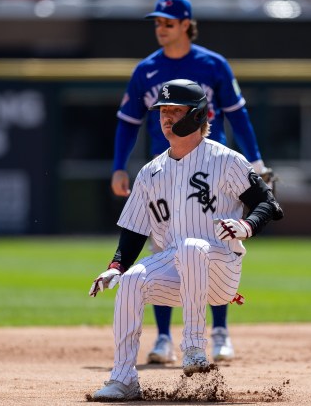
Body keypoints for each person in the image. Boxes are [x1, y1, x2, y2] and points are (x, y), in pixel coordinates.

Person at [89, 79, 283, 401]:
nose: (165, 118)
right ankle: (123, 379)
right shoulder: (152, 172)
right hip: (178, 269)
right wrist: (116, 266)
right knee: (133, 280)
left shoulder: (225, 159)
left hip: (221, 267)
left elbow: (269, 204)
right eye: (163, 111)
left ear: (197, 116)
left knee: (193, 246)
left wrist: (247, 226)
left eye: (174, 111)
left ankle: (194, 346)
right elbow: (135, 230)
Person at [110, 0, 272, 364]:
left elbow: (237, 116)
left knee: (210, 241)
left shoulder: (213, 64)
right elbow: (128, 122)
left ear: (186, 24)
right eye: (157, 23)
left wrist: (256, 160)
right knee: (163, 247)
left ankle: (218, 331)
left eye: (167, 22)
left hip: (210, 168)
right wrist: (120, 165)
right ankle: (165, 338)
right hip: (164, 170)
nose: (161, 29)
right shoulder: (145, 70)